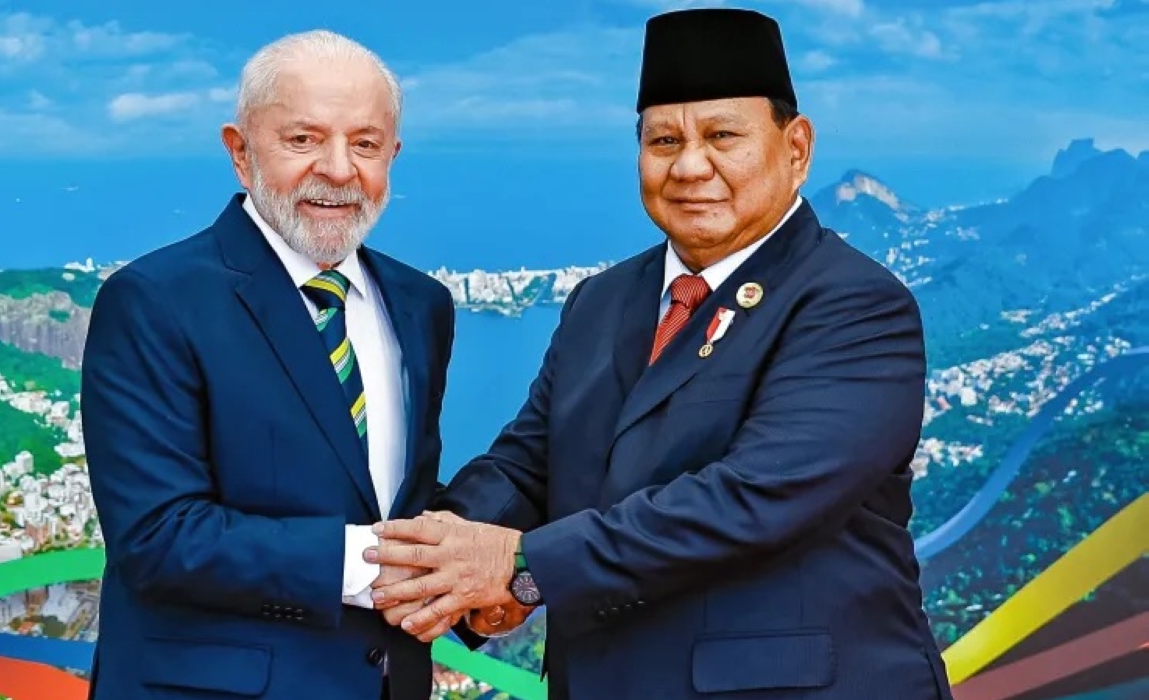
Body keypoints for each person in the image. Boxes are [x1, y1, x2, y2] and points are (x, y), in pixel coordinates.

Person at [366, 7, 955, 700]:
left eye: (723, 136)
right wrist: (440, 548)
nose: (690, 166)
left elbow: (746, 503)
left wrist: (520, 566)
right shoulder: (604, 300)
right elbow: (529, 463)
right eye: (664, 139)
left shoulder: (853, 304)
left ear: (796, 148)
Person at [80, 30, 453, 700]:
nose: (338, 170)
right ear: (240, 152)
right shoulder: (154, 300)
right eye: (303, 139)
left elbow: (400, 497)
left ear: (392, 157)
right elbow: (159, 537)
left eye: (364, 143)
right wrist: (382, 566)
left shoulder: (422, 305)